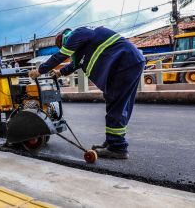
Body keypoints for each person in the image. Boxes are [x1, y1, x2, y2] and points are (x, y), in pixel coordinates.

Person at [29, 26, 145, 159]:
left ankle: (118, 147)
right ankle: (112, 141)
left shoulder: (78, 33)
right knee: (115, 103)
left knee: (116, 105)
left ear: (64, 39)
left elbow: (61, 55)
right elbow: (75, 64)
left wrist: (40, 71)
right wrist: (60, 72)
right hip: (129, 62)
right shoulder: (85, 44)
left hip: (125, 63)